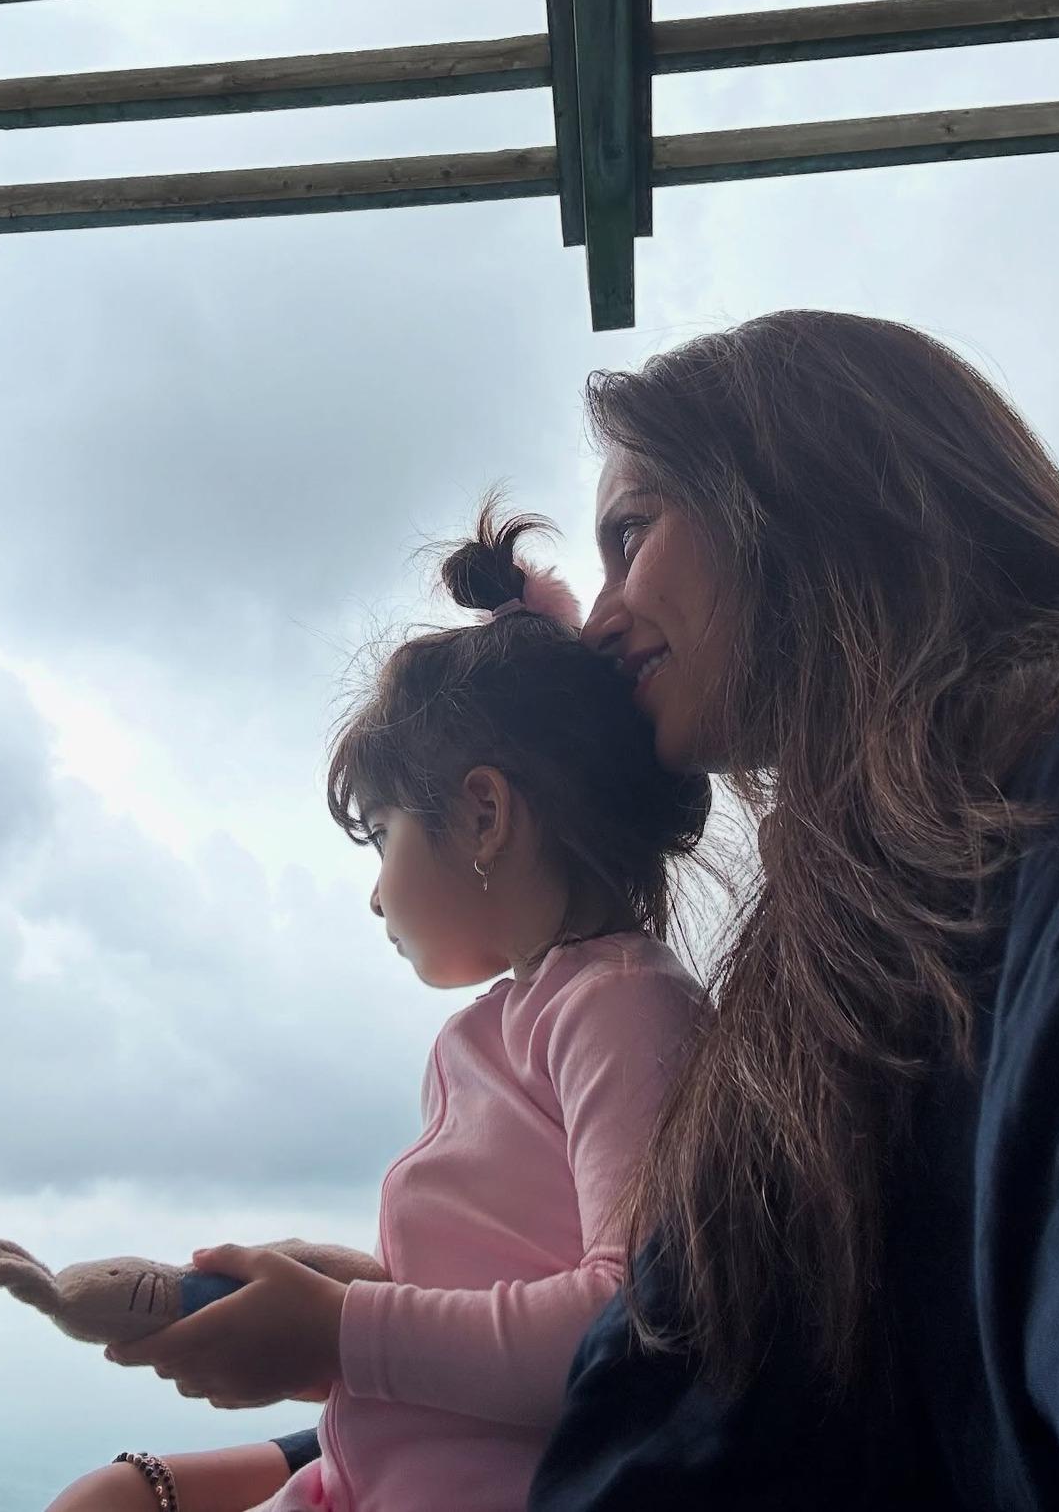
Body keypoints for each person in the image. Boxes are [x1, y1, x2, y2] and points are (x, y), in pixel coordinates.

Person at [46, 506, 710, 1512]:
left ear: (482, 817)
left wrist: (340, 1330)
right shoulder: (506, 1026)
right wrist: (343, 1298)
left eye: (384, 835)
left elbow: (629, 1324)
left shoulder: (621, 1011)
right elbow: (486, 1319)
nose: (372, 892)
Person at [527, 309, 1059, 1509]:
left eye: (632, 532)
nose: (603, 612)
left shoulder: (1041, 803)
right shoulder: (863, 905)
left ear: (802, 491)